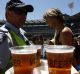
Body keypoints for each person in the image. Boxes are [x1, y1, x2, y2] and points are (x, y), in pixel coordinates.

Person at [0, 0, 34, 73]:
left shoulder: (20, 32)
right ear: (8, 13)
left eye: (25, 13)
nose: (24, 16)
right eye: (19, 11)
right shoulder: (4, 35)